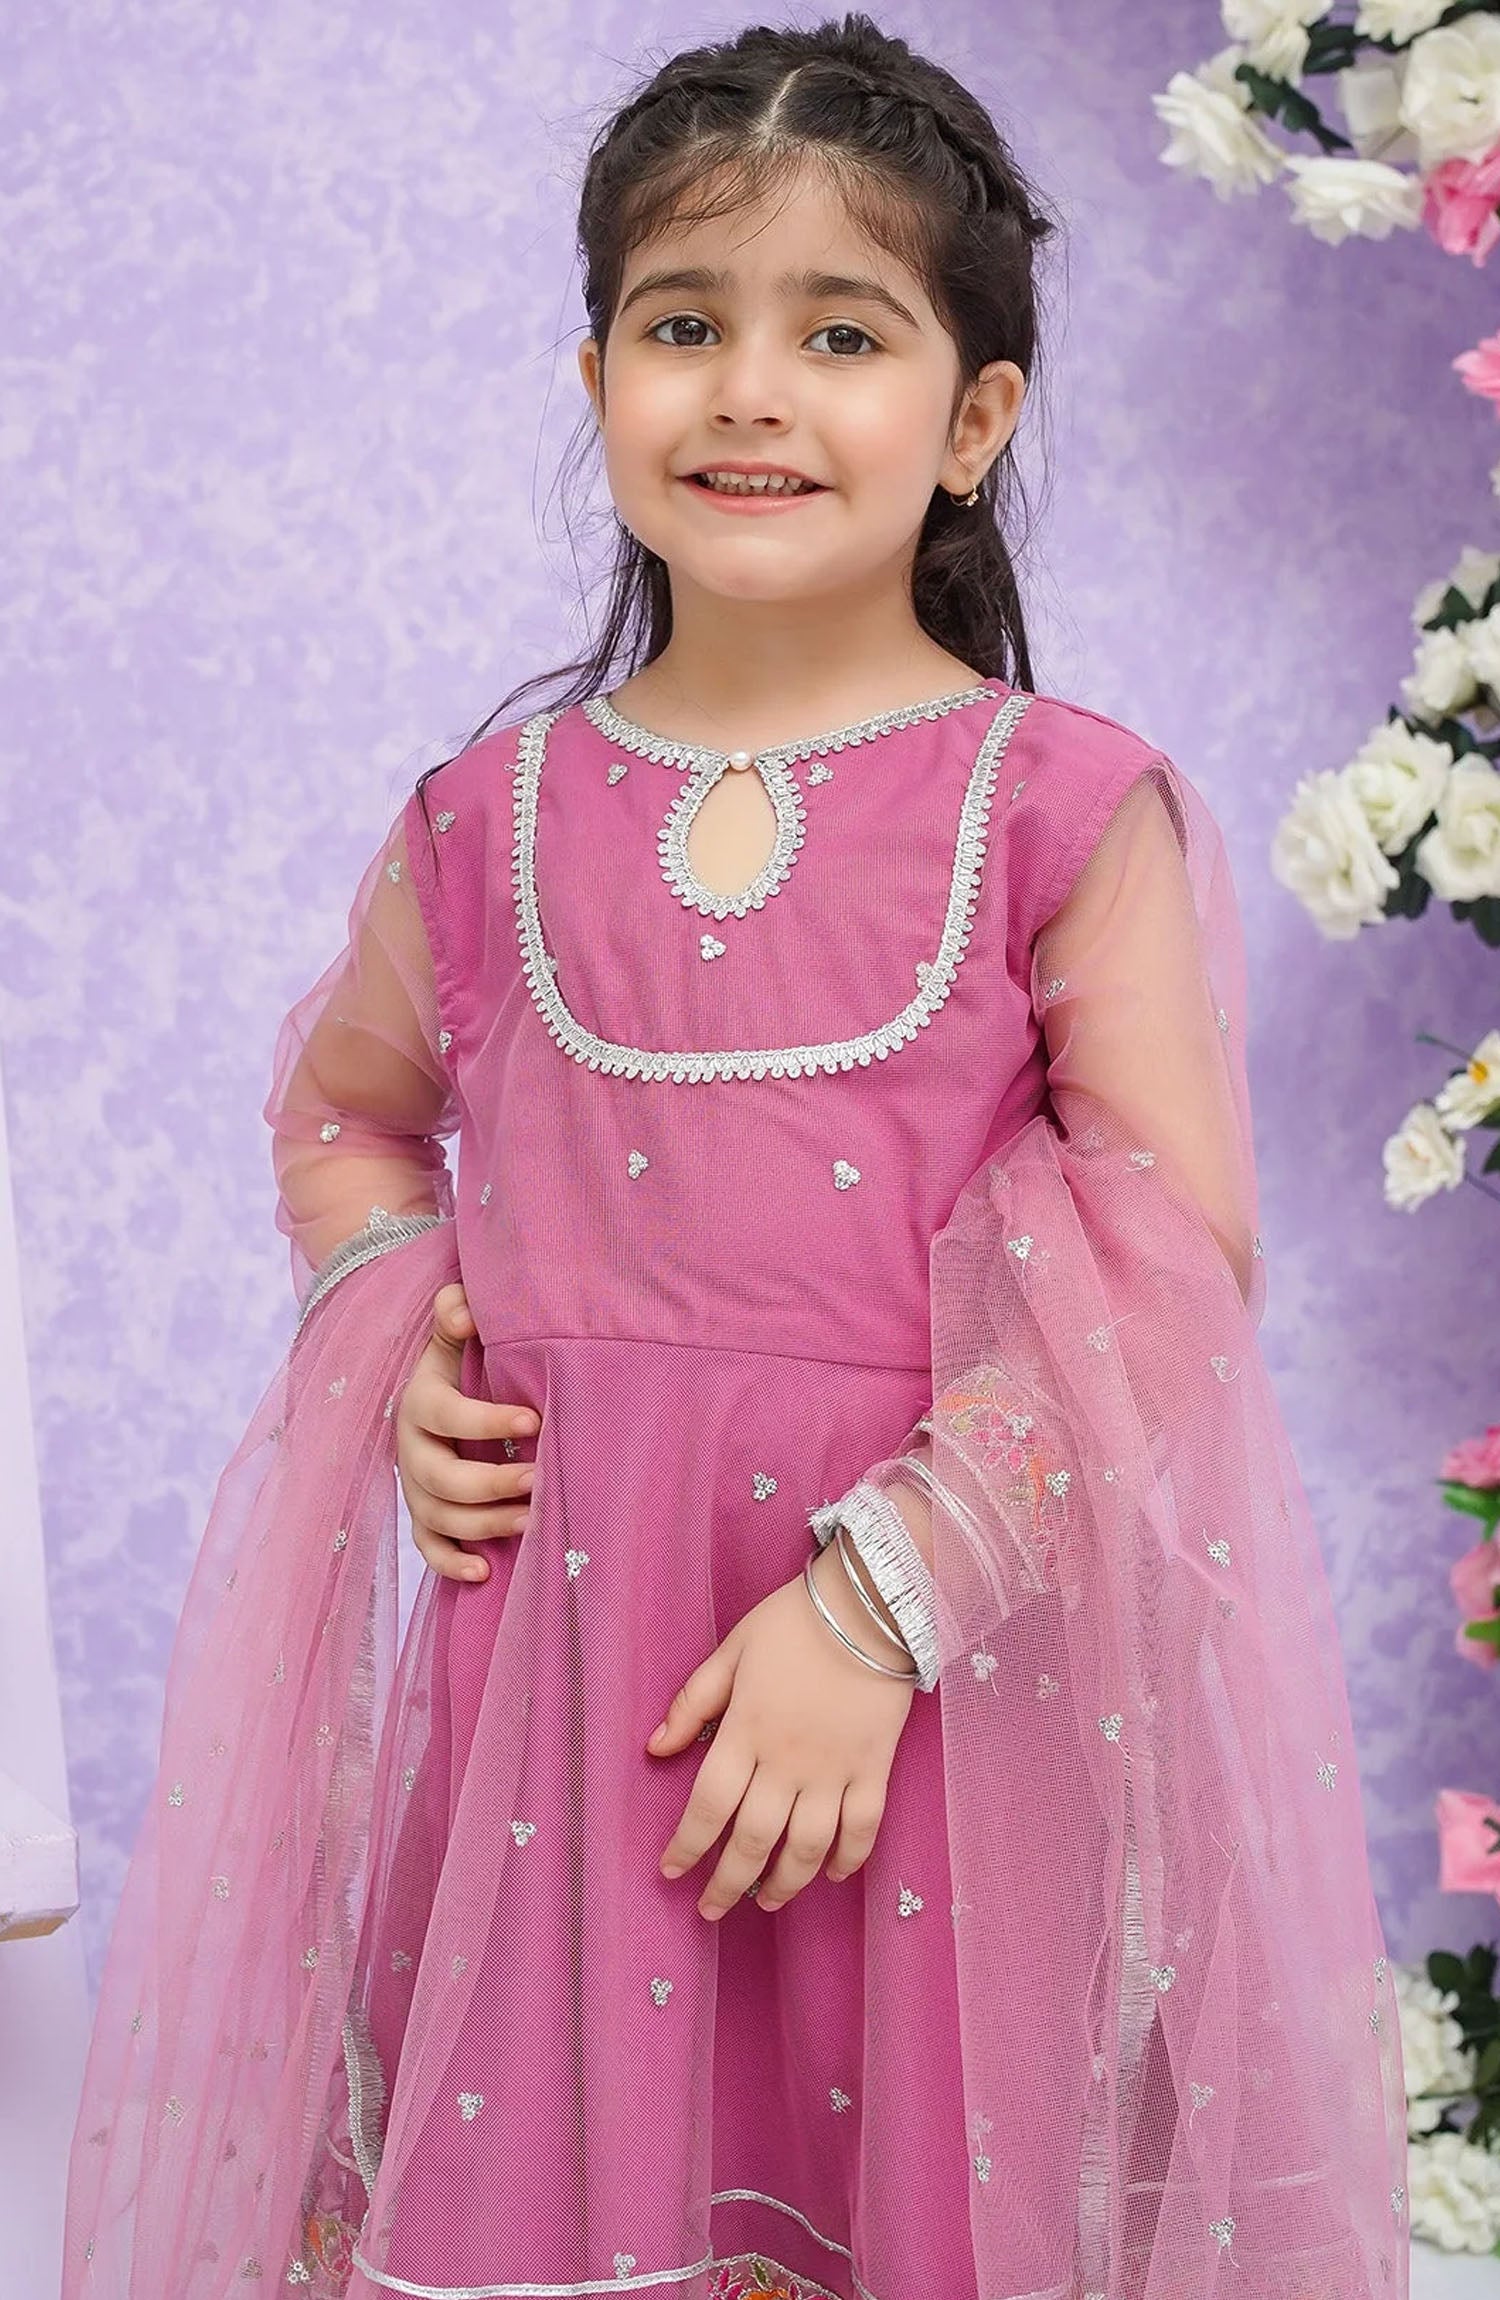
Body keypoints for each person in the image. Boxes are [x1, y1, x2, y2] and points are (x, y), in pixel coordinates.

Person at [63, 14, 1410, 2300]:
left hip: (940, 1709)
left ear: (975, 420)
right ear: (595, 379)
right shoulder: (482, 825)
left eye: (843, 333)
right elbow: (349, 1116)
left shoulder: (1058, 809)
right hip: (567, 1722)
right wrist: (403, 1333)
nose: (751, 391)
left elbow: (1170, 1259)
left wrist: (877, 1610)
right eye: (683, 325)